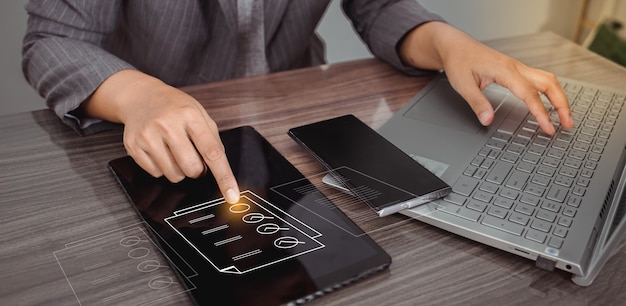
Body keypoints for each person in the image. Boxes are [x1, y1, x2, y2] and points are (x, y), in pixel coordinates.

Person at [22, 0, 573, 205]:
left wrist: (452, 43)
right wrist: (137, 93)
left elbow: (379, 7)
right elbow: (51, 40)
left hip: (296, 118)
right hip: (153, 136)